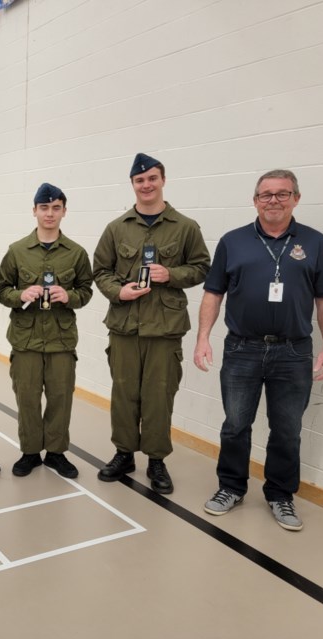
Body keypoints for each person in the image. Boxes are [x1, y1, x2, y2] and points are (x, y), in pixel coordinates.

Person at [194, 169, 323, 531]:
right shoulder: (233, 241)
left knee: (287, 430)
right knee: (235, 425)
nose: (273, 200)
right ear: (255, 199)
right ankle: (231, 487)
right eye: (266, 194)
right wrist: (202, 337)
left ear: (296, 198)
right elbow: (213, 293)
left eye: (282, 193)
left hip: (293, 352)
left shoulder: (317, 243)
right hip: (242, 349)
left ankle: (280, 495)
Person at [92, 153, 210, 494]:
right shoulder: (116, 228)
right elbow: (100, 271)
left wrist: (170, 274)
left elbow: (202, 267)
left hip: (165, 328)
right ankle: (124, 454)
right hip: (125, 326)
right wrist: (119, 291)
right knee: (124, 393)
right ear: (133, 185)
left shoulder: (185, 227)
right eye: (140, 180)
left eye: (152, 178)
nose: (146, 185)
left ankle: (157, 460)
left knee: (159, 396)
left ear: (162, 181)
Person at [0, 183, 93, 479]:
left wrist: (70, 296)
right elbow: (1, 291)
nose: (49, 213)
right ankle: (29, 452)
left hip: (61, 339)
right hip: (26, 338)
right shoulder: (17, 251)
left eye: (56, 208)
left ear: (64, 211)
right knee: (26, 397)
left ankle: (56, 453)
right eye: (44, 208)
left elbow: (86, 290)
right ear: (34, 211)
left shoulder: (76, 253)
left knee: (61, 396)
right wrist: (21, 295)